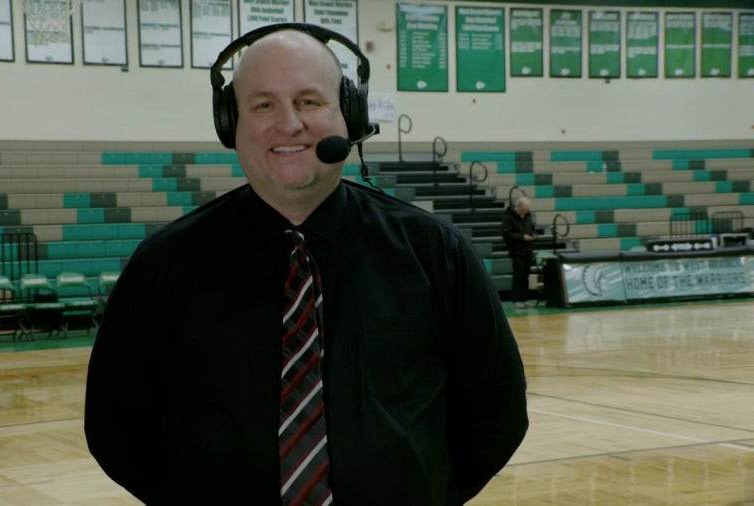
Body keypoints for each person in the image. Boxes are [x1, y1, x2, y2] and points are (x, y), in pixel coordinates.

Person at [85, 25, 528, 506]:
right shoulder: (163, 268)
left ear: (350, 115)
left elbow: (497, 414)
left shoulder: (435, 253)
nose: (289, 123)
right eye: (263, 105)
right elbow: (116, 428)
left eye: (310, 101)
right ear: (229, 121)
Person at [501, 197, 537, 308]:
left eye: (528, 209)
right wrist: (522, 237)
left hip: (528, 250)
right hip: (516, 251)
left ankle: (525, 298)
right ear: (519, 207)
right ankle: (516, 299)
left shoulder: (528, 216)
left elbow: (532, 228)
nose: (527, 211)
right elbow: (506, 234)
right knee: (518, 275)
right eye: (525, 209)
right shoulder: (508, 217)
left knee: (526, 275)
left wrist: (534, 235)